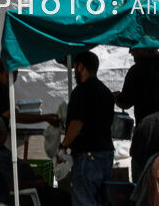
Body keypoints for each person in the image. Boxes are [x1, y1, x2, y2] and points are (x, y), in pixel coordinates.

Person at [0, 59, 59, 206]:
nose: (14, 78)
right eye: (10, 74)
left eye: (16, 74)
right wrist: (45, 118)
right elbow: (11, 114)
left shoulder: (3, 86)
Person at [59, 50, 116, 206]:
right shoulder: (106, 91)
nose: (74, 71)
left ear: (81, 67)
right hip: (106, 153)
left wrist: (63, 146)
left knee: (85, 201)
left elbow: (77, 123)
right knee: (102, 200)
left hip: (88, 156)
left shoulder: (81, 91)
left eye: (75, 66)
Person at [0, 116, 70, 206]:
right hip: (22, 197)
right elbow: (13, 185)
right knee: (64, 197)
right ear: (0, 134)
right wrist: (37, 183)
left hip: (18, 192)